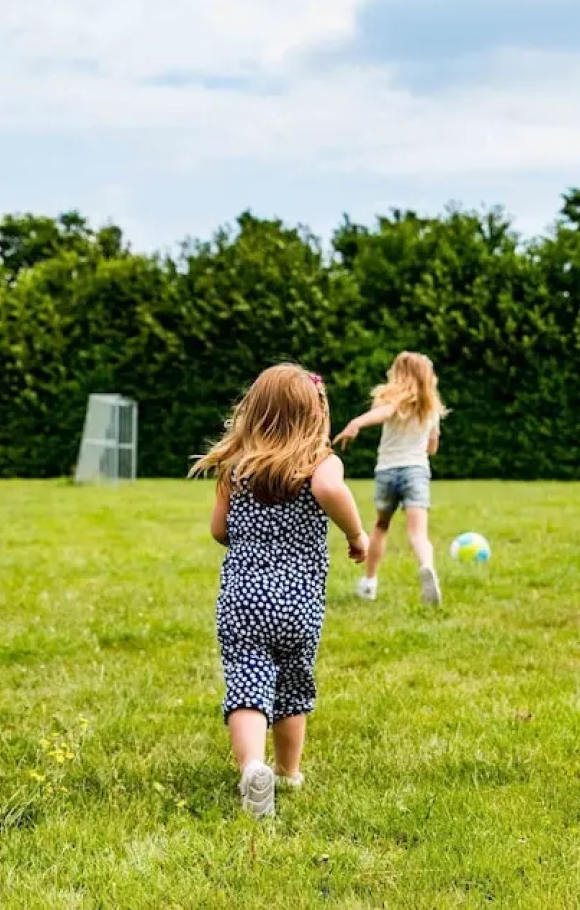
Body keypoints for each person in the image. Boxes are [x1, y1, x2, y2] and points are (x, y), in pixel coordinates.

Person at [190, 364, 370, 818]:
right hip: (299, 605)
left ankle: (253, 766)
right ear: (316, 414)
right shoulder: (320, 462)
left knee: (247, 684)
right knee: (293, 685)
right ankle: (288, 773)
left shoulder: (237, 466)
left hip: (242, 599)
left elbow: (219, 531)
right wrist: (355, 534)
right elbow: (329, 489)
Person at [333, 351, 447, 607]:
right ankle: (427, 566)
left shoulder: (395, 402)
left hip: (387, 471)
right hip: (416, 471)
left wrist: (356, 423)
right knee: (418, 533)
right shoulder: (431, 410)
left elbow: (384, 412)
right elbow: (432, 448)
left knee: (381, 526)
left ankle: (369, 583)